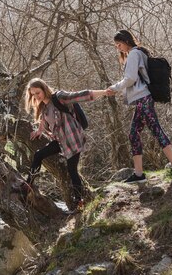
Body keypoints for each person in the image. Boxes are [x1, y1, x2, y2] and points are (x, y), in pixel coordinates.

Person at [23, 78, 115, 209]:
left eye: (38, 92)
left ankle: (79, 202)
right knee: (38, 155)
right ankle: (28, 186)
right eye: (33, 94)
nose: (36, 96)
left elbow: (81, 95)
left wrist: (104, 92)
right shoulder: (43, 106)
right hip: (60, 141)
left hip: (72, 139)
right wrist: (39, 130)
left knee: (72, 170)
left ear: (44, 89)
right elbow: (45, 119)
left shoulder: (59, 97)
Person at [108, 30, 172, 184]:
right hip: (141, 99)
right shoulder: (137, 53)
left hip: (143, 98)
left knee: (156, 130)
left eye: (119, 44)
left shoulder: (134, 54)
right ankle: (139, 174)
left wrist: (115, 88)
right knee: (133, 134)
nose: (118, 48)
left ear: (126, 41)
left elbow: (130, 78)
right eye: (116, 45)